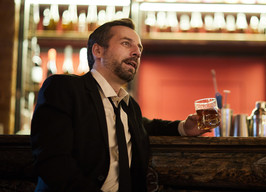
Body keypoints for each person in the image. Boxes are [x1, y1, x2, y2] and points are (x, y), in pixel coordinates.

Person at [30, 18, 209, 192]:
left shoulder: (129, 106)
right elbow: (53, 163)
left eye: (139, 48)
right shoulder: (63, 89)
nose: (137, 53)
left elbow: (146, 126)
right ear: (98, 51)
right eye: (126, 43)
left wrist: (184, 128)